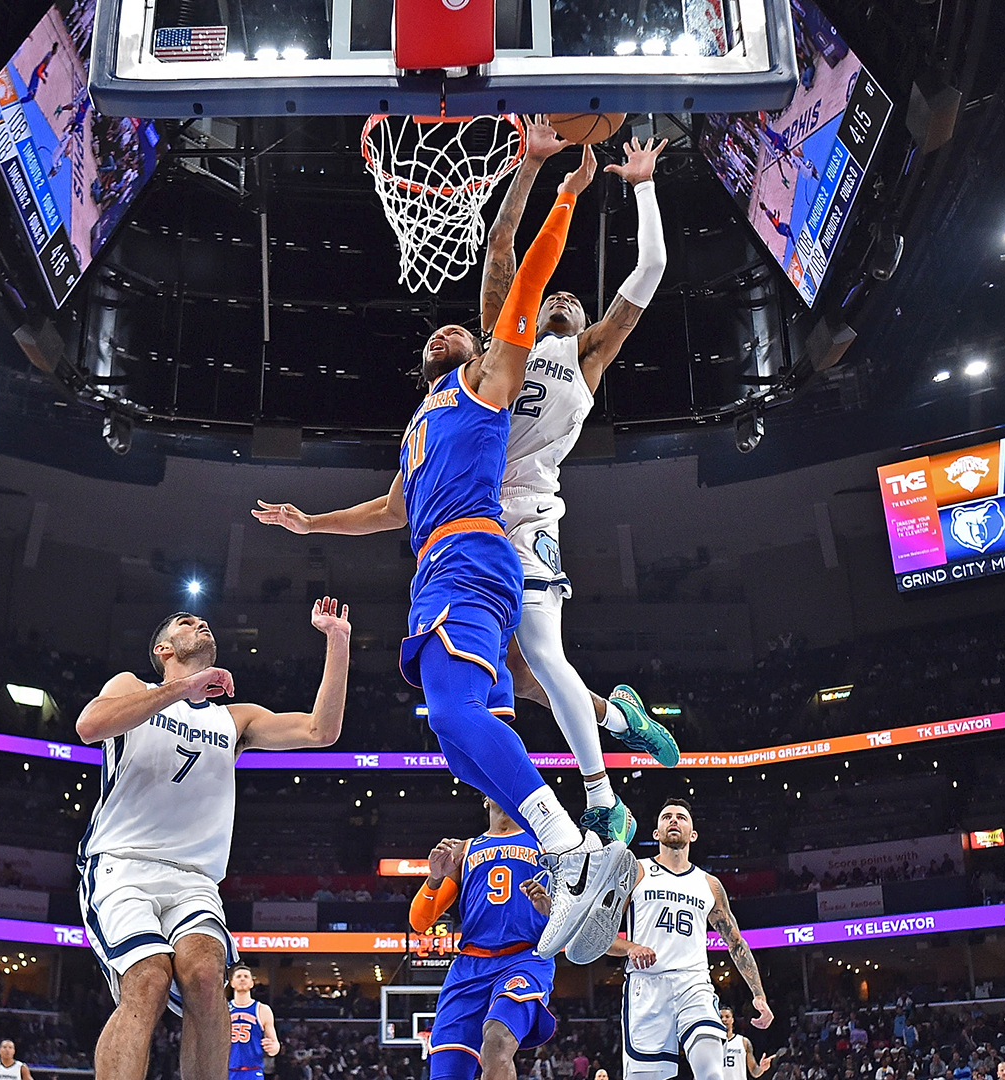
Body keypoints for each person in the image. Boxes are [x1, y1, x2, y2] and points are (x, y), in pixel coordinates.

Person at [253, 129, 634, 965]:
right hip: (440, 564)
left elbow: (520, 269)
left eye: (456, 332)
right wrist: (311, 524)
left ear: (484, 347)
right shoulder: (420, 423)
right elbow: (391, 510)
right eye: (433, 337)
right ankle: (568, 845)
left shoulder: (488, 382)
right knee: (456, 739)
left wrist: (555, 185)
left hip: (473, 556)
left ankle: (572, 851)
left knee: (460, 713)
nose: (440, 337)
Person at [478, 126, 680, 845]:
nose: (561, 294)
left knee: (544, 659)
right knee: (521, 679)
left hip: (528, 513)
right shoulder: (507, 334)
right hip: (472, 518)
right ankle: (622, 719)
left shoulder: (588, 355)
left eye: (571, 296)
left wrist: (643, 186)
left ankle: (603, 799)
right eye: (554, 292)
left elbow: (651, 268)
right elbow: (502, 246)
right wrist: (532, 169)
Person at [74, 598, 352, 1080]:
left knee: (206, 977)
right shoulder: (131, 686)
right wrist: (183, 687)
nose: (200, 623)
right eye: (186, 622)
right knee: (148, 980)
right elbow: (89, 726)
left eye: (202, 621)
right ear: (163, 648)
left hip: (195, 879)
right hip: (122, 865)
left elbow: (320, 730)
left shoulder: (234, 718)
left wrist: (338, 640)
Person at [609, 800, 772, 1080]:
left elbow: (735, 942)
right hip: (646, 987)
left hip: (693, 985)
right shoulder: (636, 871)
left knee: (712, 1074)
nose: (674, 820)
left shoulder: (708, 884)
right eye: (667, 817)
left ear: (692, 834)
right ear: (657, 832)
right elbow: (601, 936)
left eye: (681, 817)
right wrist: (632, 947)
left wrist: (758, 994)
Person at [409, 797, 558, 1080]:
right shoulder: (463, 850)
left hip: (524, 958)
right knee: (446, 1073)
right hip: (470, 966)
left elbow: (575, 911)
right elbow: (419, 921)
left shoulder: (549, 844)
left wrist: (554, 908)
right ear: (483, 796)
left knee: (496, 1042)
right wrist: (435, 879)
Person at [226, 965, 279, 1080]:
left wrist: (273, 1047)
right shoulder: (222, 1010)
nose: (242, 979)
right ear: (232, 983)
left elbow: (275, 1045)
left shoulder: (262, 1009)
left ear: (252, 983)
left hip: (252, 1070)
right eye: (238, 976)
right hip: (227, 1071)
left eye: (246, 976)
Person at [721, 1008, 776, 1078]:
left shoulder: (743, 1042)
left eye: (727, 1016)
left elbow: (754, 1071)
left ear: (732, 1020)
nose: (724, 1020)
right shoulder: (711, 1043)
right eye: (721, 1017)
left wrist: (762, 1068)